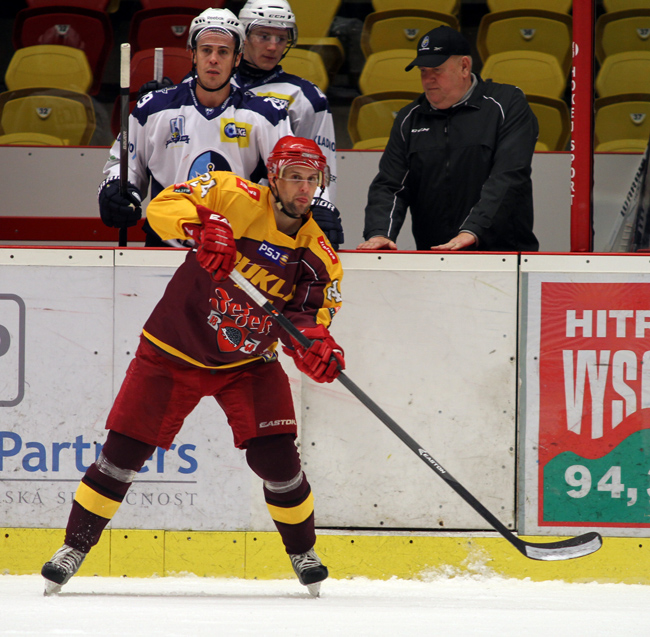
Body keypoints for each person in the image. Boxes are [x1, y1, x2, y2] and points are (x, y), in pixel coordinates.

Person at [41, 136, 345, 598]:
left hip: (247, 362)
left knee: (278, 461)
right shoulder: (231, 194)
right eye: (294, 177)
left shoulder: (319, 255)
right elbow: (162, 206)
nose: (304, 188)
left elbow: (307, 319)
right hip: (173, 347)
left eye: (312, 179)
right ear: (274, 178)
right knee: (123, 453)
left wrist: (313, 345)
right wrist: (200, 226)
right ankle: (73, 548)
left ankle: (303, 552)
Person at [98, 8, 293, 247]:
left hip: (239, 250)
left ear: (237, 58)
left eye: (223, 51)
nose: (214, 59)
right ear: (192, 54)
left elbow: (288, 176)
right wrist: (117, 189)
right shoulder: (153, 107)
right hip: (165, 245)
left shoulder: (268, 114)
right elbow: (124, 164)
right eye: (206, 50)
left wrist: (315, 205)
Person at [356, 26, 540, 253]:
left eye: (437, 69)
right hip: (436, 255)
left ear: (464, 66)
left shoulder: (507, 104)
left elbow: (509, 176)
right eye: (423, 71)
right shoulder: (409, 118)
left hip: (505, 254)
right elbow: (390, 185)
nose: (428, 79)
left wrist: (472, 230)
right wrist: (379, 233)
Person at [235, 0, 344, 249]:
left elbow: (321, 163)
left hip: (276, 224)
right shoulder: (212, 87)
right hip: (216, 211)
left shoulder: (306, 97)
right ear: (243, 35)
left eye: (281, 38)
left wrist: (321, 205)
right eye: (264, 36)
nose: (273, 46)